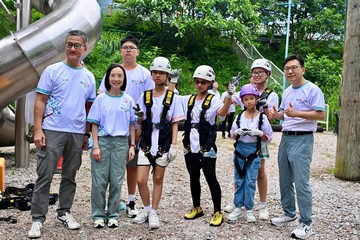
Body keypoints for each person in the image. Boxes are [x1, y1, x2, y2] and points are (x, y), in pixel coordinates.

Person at [28, 30, 96, 239]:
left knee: (70, 175)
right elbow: (40, 100)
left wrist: (86, 134)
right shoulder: (52, 71)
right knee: (45, 175)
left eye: (77, 45)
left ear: (85, 49)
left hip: (76, 132)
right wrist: (38, 130)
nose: (73, 49)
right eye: (69, 44)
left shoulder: (89, 77)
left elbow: (88, 108)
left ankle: (64, 212)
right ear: (65, 46)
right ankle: (37, 219)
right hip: (52, 129)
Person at [269, 54, 325, 239]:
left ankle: (307, 224)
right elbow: (286, 114)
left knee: (301, 182)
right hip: (285, 138)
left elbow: (320, 115)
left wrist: (297, 113)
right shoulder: (287, 91)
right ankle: (289, 213)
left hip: (302, 139)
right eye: (287, 69)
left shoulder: (312, 89)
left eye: (294, 67)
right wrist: (276, 115)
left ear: (303, 69)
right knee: (285, 179)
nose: (290, 71)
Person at [98, 35, 154, 218]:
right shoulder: (114, 72)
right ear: (121, 51)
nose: (128, 50)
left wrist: (141, 125)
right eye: (125, 47)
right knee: (109, 167)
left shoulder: (144, 74)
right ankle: (111, 202)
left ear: (137, 51)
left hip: (135, 127)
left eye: (132, 47)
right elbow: (101, 96)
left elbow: (150, 100)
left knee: (131, 166)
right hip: (111, 128)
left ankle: (130, 201)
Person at [132, 57, 184, 229]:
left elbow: (174, 122)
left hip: (163, 142)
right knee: (140, 180)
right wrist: (139, 117)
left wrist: (174, 145)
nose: (157, 75)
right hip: (146, 141)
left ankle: (154, 211)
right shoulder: (144, 95)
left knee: (158, 178)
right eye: (155, 72)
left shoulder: (172, 97)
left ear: (167, 75)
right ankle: (146, 209)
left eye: (161, 73)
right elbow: (139, 120)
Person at [180, 65, 234, 226]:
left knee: (211, 178)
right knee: (193, 177)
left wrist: (229, 96)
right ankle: (197, 207)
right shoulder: (189, 100)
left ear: (210, 83)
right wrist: (172, 82)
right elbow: (170, 98)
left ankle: (217, 211)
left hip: (206, 145)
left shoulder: (214, 100)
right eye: (197, 81)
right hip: (190, 145)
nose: (199, 85)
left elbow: (222, 113)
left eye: (203, 82)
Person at [87, 63, 136, 229]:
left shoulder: (128, 100)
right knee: (99, 181)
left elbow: (131, 125)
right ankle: (99, 215)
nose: (116, 79)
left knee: (116, 181)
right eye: (113, 75)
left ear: (124, 79)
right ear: (108, 78)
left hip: (121, 142)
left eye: (119, 76)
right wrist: (95, 146)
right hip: (102, 141)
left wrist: (132, 145)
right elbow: (93, 124)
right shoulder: (101, 99)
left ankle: (113, 215)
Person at [227, 84, 273, 223]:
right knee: (239, 179)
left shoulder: (262, 118)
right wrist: (237, 133)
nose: (249, 102)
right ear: (242, 101)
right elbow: (232, 136)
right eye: (246, 99)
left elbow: (268, 138)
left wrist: (260, 134)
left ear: (256, 99)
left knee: (250, 181)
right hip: (240, 150)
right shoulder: (240, 117)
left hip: (254, 151)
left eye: (252, 98)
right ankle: (238, 207)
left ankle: (249, 209)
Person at [250, 58, 279, 220]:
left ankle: (262, 205)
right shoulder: (247, 89)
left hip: (260, 137)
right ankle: (238, 201)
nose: (257, 75)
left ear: (267, 74)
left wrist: (265, 105)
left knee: (260, 171)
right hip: (245, 135)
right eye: (255, 72)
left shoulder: (271, 94)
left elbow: (271, 118)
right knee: (241, 170)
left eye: (260, 72)